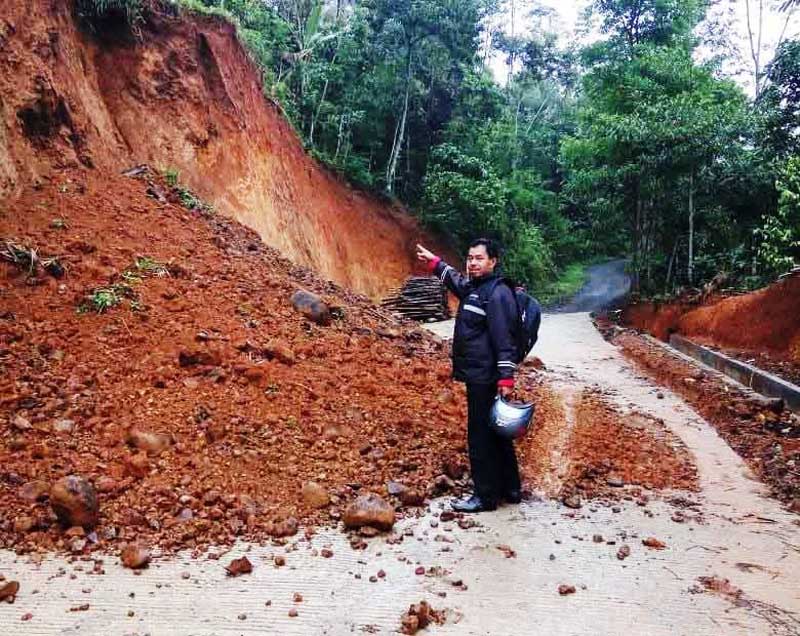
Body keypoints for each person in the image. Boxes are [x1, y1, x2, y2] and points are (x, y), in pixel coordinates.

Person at [416, 239, 521, 513]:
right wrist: (436, 263)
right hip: (480, 373)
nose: (473, 263)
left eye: (479, 258)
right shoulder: (477, 289)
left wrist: (506, 378)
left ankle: (484, 497)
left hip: (485, 377)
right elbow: (458, 283)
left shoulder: (497, 294)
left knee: (480, 436)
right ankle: (510, 489)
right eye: (470, 258)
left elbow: (504, 339)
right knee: (497, 432)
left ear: (493, 261)